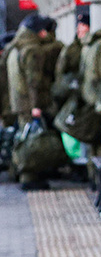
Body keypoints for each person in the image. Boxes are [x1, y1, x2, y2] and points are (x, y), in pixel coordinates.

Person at [7, 15, 56, 189]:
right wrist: (36, 106)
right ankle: (29, 177)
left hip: (19, 101)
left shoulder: (15, 48)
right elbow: (33, 81)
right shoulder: (32, 49)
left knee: (23, 137)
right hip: (29, 103)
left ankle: (21, 173)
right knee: (31, 141)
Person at [52, 13, 89, 110]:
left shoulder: (83, 47)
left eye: (83, 26)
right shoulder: (72, 49)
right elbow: (60, 71)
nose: (79, 29)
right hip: (74, 91)